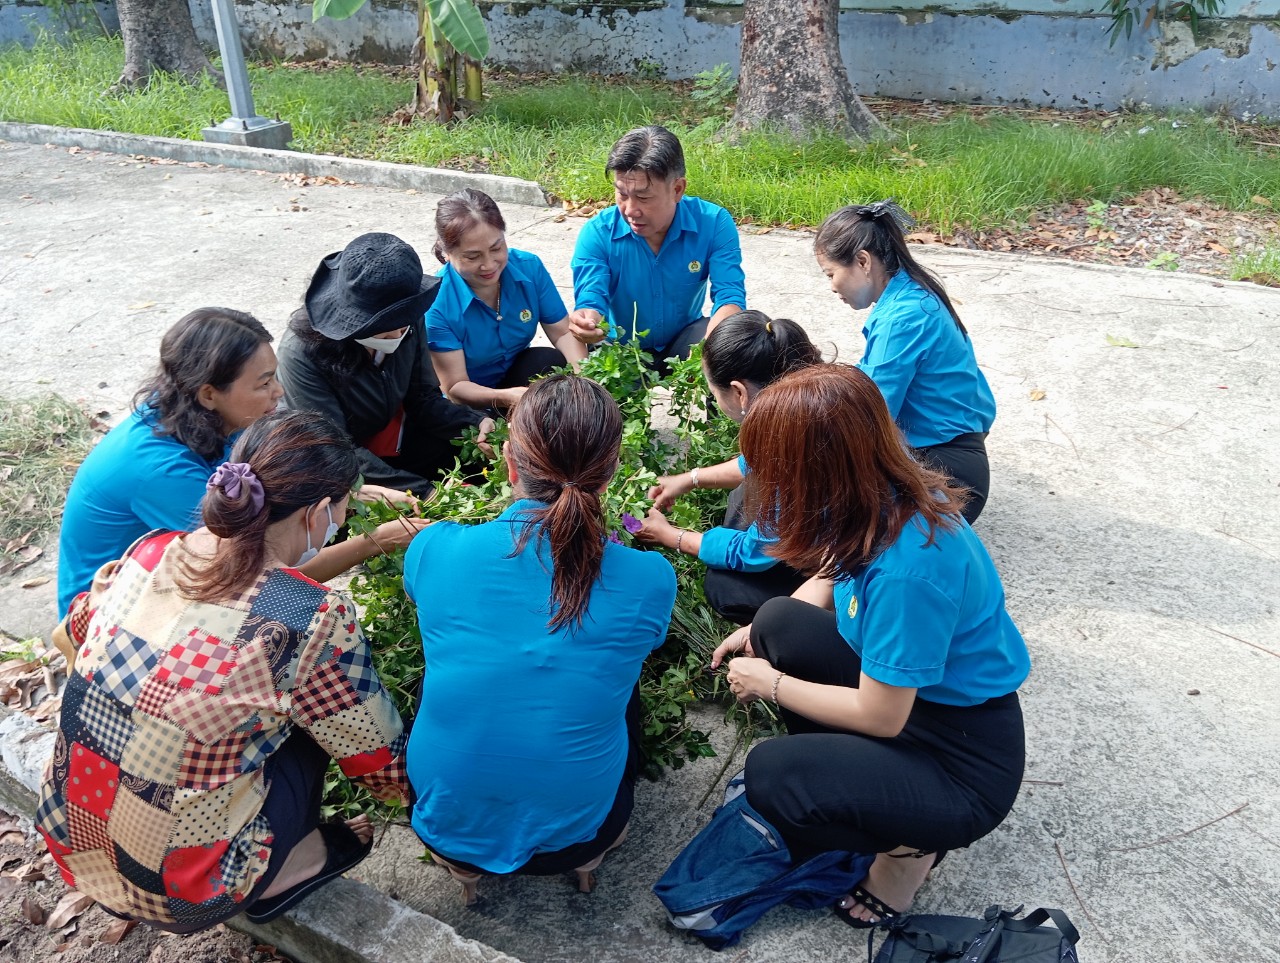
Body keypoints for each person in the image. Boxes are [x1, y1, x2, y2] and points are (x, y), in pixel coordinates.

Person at [36, 410, 412, 932]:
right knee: (318, 716)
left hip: (71, 844)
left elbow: (79, 635)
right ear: (318, 512)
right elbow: (377, 761)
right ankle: (290, 865)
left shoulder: (151, 549)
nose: (343, 520)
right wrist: (436, 806)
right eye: (343, 509)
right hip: (185, 894)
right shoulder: (310, 616)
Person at [709, 364, 1029, 929]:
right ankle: (877, 795)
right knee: (778, 618)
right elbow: (833, 574)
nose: (770, 486)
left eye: (778, 473)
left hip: (961, 759)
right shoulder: (880, 491)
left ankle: (907, 850)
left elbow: (881, 716)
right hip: (925, 703)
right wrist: (755, 633)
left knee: (774, 777)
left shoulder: (909, 569)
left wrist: (772, 684)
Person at [403, 374, 676, 904]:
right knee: (620, 683)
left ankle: (467, 878)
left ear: (509, 462)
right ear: (611, 471)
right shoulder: (650, 578)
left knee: (447, 660)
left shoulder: (433, 548)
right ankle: (586, 868)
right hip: (581, 835)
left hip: (444, 826)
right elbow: (644, 644)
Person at [55, 307, 414, 620]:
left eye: (274, 375)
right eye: (263, 384)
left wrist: (350, 492)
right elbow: (262, 580)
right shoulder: (164, 473)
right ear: (208, 393)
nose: (280, 392)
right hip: (117, 615)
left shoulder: (196, 412)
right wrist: (372, 542)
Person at [814, 201, 996, 522]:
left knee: (826, 511)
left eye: (831, 273)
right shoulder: (910, 293)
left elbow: (871, 417)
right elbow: (871, 383)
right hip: (949, 449)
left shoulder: (903, 317)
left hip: (950, 475)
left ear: (862, 261)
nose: (831, 286)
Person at [634, 310, 820, 624]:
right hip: (876, 530)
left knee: (725, 587)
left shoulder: (788, 445)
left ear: (738, 392)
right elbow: (754, 464)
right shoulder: (811, 395)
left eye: (713, 392)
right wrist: (688, 479)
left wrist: (672, 536)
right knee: (743, 496)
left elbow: (753, 552)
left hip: (852, 568)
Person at [277, 232, 494, 492]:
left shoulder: (410, 314)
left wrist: (474, 422)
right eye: (385, 328)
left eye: (404, 323)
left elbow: (423, 397)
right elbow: (332, 449)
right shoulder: (301, 353)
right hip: (336, 464)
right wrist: (426, 493)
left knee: (476, 461)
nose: (399, 334)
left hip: (392, 439)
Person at [569, 124, 746, 370]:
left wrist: (713, 349)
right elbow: (591, 296)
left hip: (684, 340)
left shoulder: (713, 223)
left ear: (677, 189)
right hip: (619, 349)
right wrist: (587, 320)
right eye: (621, 194)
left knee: (733, 344)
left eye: (643, 197)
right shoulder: (598, 232)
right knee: (605, 393)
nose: (630, 210)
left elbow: (730, 297)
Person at [426, 189, 586, 413]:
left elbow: (562, 332)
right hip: (468, 403)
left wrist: (587, 379)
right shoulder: (436, 304)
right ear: (446, 253)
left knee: (548, 361)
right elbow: (454, 387)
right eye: (473, 257)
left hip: (515, 382)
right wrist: (505, 397)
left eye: (496, 248)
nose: (489, 265)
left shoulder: (529, 268)